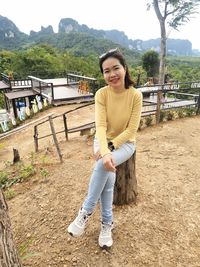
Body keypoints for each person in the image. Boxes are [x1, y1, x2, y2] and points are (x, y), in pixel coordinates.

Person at [67, 48, 143, 248]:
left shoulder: (135, 95)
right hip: (102, 139)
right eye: (106, 71)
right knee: (106, 174)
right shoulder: (101, 94)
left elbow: (131, 130)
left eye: (115, 68)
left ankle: (86, 211)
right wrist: (104, 147)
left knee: (102, 165)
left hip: (125, 144)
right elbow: (100, 126)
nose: (112, 74)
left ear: (125, 68)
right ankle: (107, 224)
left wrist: (109, 149)